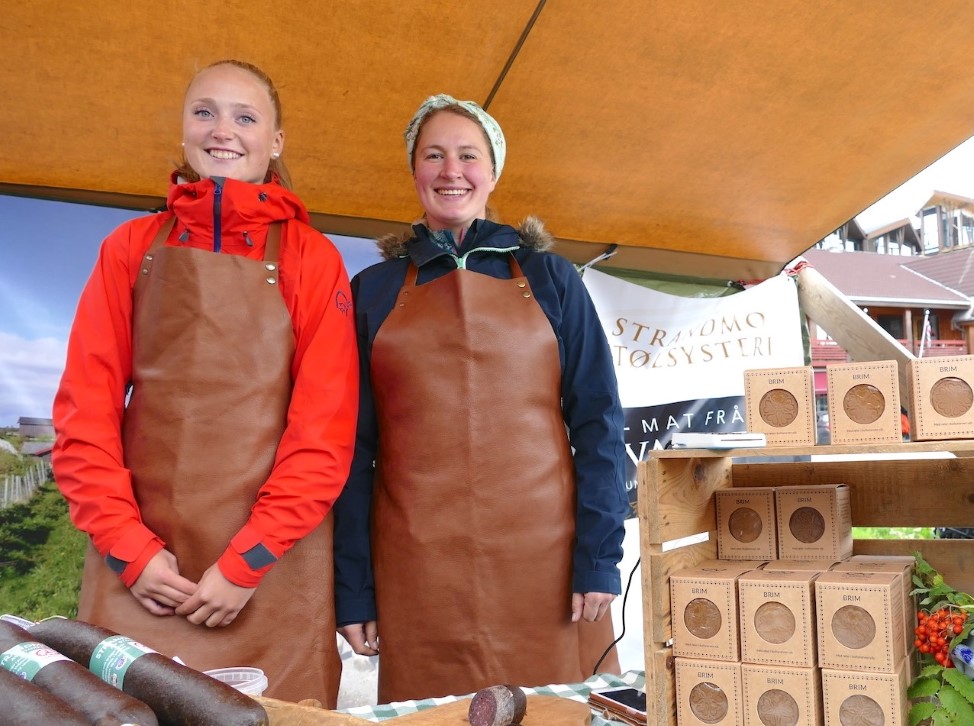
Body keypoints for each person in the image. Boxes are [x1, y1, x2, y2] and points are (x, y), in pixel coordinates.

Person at [51, 59, 358, 707]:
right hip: (137, 572)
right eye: (206, 112)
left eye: (245, 117)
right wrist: (130, 552)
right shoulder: (128, 247)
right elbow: (86, 414)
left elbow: (324, 431)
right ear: (184, 129)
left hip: (270, 574)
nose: (224, 130)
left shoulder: (313, 258)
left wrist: (248, 560)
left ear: (275, 141)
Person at [335, 93, 629, 703]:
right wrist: (356, 589)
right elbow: (352, 451)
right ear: (414, 170)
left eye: (468, 156)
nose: (451, 172)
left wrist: (598, 557)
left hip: (547, 569)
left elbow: (599, 424)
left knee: (555, 713)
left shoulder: (551, 278)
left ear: (492, 171)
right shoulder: (372, 289)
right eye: (433, 155)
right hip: (417, 569)